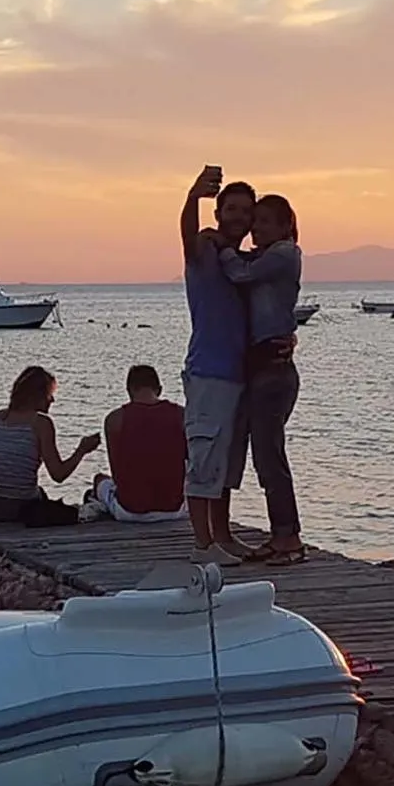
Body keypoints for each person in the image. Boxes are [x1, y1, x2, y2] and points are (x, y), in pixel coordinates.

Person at [218, 193, 306, 564]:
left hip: (274, 369)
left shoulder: (284, 253)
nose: (256, 228)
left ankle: (289, 539)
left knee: (270, 457)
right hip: (262, 367)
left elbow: (241, 273)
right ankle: (280, 536)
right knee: (263, 456)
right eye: (256, 221)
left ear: (286, 226)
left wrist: (220, 247)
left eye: (266, 221)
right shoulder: (267, 255)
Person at [179, 165, 254, 564]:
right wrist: (193, 196)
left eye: (247, 211)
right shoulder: (205, 249)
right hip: (208, 371)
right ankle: (202, 546)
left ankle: (223, 537)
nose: (239, 217)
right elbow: (187, 237)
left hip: (238, 375)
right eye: (233, 209)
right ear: (219, 212)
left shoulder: (241, 264)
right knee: (204, 458)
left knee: (225, 464)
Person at [0, 365, 100, 527]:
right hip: (16, 506)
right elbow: (58, 475)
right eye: (49, 395)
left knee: (40, 494)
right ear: (37, 396)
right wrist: (81, 451)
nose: (52, 400)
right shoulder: (41, 423)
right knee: (63, 510)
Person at [93, 363, 189, 520]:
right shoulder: (181, 415)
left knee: (100, 480)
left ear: (129, 390)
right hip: (173, 509)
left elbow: (117, 471)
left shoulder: (114, 419)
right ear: (159, 389)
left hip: (130, 511)